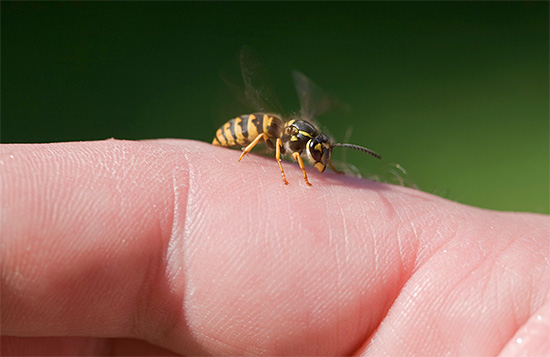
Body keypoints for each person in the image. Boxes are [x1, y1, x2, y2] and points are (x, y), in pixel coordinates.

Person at [1, 139, 548, 356]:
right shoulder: (284, 142)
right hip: (249, 138)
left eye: (319, 155)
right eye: (316, 154)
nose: (319, 159)